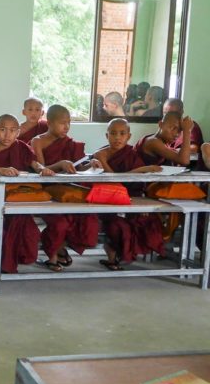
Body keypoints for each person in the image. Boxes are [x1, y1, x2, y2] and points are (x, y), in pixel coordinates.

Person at [32, 104, 101, 272]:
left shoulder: (69, 143)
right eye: (62, 123)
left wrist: (90, 164)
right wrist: (60, 164)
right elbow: (41, 169)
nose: (67, 127)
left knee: (84, 217)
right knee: (61, 222)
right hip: (45, 191)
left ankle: (60, 247)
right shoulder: (37, 141)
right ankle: (53, 256)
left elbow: (77, 168)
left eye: (69, 122)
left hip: (68, 190)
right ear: (49, 122)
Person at [93, 119, 164, 270]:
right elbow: (113, 184)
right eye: (113, 133)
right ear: (107, 136)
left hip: (131, 200)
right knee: (118, 226)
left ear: (129, 136)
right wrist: (101, 161)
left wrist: (141, 204)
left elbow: (137, 185)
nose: (117, 137)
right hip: (107, 203)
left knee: (149, 220)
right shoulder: (100, 154)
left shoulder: (131, 155)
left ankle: (128, 254)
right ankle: (113, 252)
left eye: (122, 133)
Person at [0, 114, 53, 273]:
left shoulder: (21, 147)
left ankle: (16, 259)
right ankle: (5, 264)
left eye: (12, 130)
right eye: (2, 130)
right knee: (6, 228)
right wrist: (0, 170)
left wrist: (42, 169)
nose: (7, 135)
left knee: (29, 230)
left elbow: (34, 163)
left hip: (20, 196)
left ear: (18, 131)